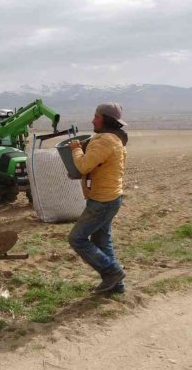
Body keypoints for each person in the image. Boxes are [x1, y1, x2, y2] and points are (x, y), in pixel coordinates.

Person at [68, 103, 128, 294]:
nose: (93, 120)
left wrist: (76, 149)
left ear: (106, 119)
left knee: (77, 238)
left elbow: (84, 166)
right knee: (102, 242)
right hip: (112, 197)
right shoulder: (115, 140)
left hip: (102, 201)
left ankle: (113, 271)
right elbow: (95, 167)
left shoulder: (104, 141)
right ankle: (116, 287)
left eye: (96, 116)